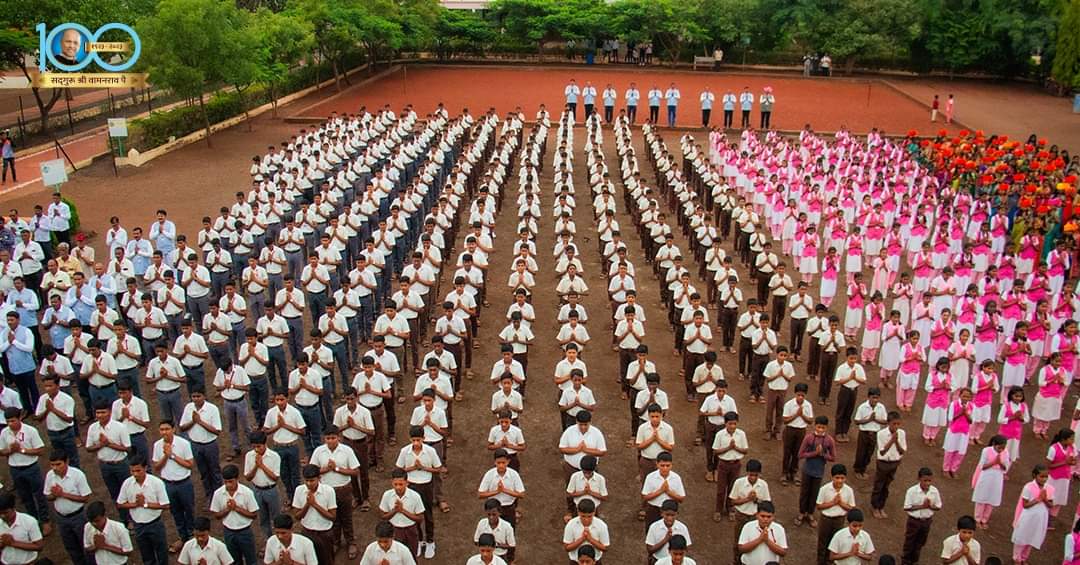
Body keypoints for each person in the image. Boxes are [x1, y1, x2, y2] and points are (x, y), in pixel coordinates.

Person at [117, 455, 170, 565]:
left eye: (138, 470)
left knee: (162, 553)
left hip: (155, 524)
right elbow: (120, 504)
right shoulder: (127, 483)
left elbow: (165, 505)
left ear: (145, 468)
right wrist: (135, 504)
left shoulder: (156, 483)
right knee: (146, 555)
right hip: (139, 525)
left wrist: (145, 504)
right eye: (132, 471)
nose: (135, 474)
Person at [43, 449, 91, 565]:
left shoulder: (77, 475)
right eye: (52, 465)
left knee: (86, 545)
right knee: (71, 548)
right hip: (61, 518)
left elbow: (85, 498)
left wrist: (63, 494)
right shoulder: (50, 476)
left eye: (58, 464)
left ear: (67, 462)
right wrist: (53, 495)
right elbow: (47, 496)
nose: (55, 468)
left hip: (78, 517)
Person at [900, 467, 941, 565]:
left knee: (920, 542)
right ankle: (905, 561)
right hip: (914, 521)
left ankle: (914, 560)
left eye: (929, 480)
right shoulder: (912, 491)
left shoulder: (934, 491)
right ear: (919, 479)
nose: (927, 483)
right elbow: (906, 507)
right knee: (909, 542)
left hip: (926, 521)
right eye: (925, 480)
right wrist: (922, 506)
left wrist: (931, 506)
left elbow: (938, 507)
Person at [737, 500, 787, 564]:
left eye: (769, 517)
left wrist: (767, 541)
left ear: (773, 516)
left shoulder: (779, 529)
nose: (765, 519)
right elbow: (741, 549)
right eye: (762, 516)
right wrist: (760, 539)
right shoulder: (748, 526)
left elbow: (783, 552)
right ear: (757, 515)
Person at [0, 491, 43, 565]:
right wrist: (2, 544)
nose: (2, 516)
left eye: (5, 512)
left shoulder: (29, 521)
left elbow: (39, 546)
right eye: (0, 513)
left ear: (13, 508)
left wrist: (12, 543)